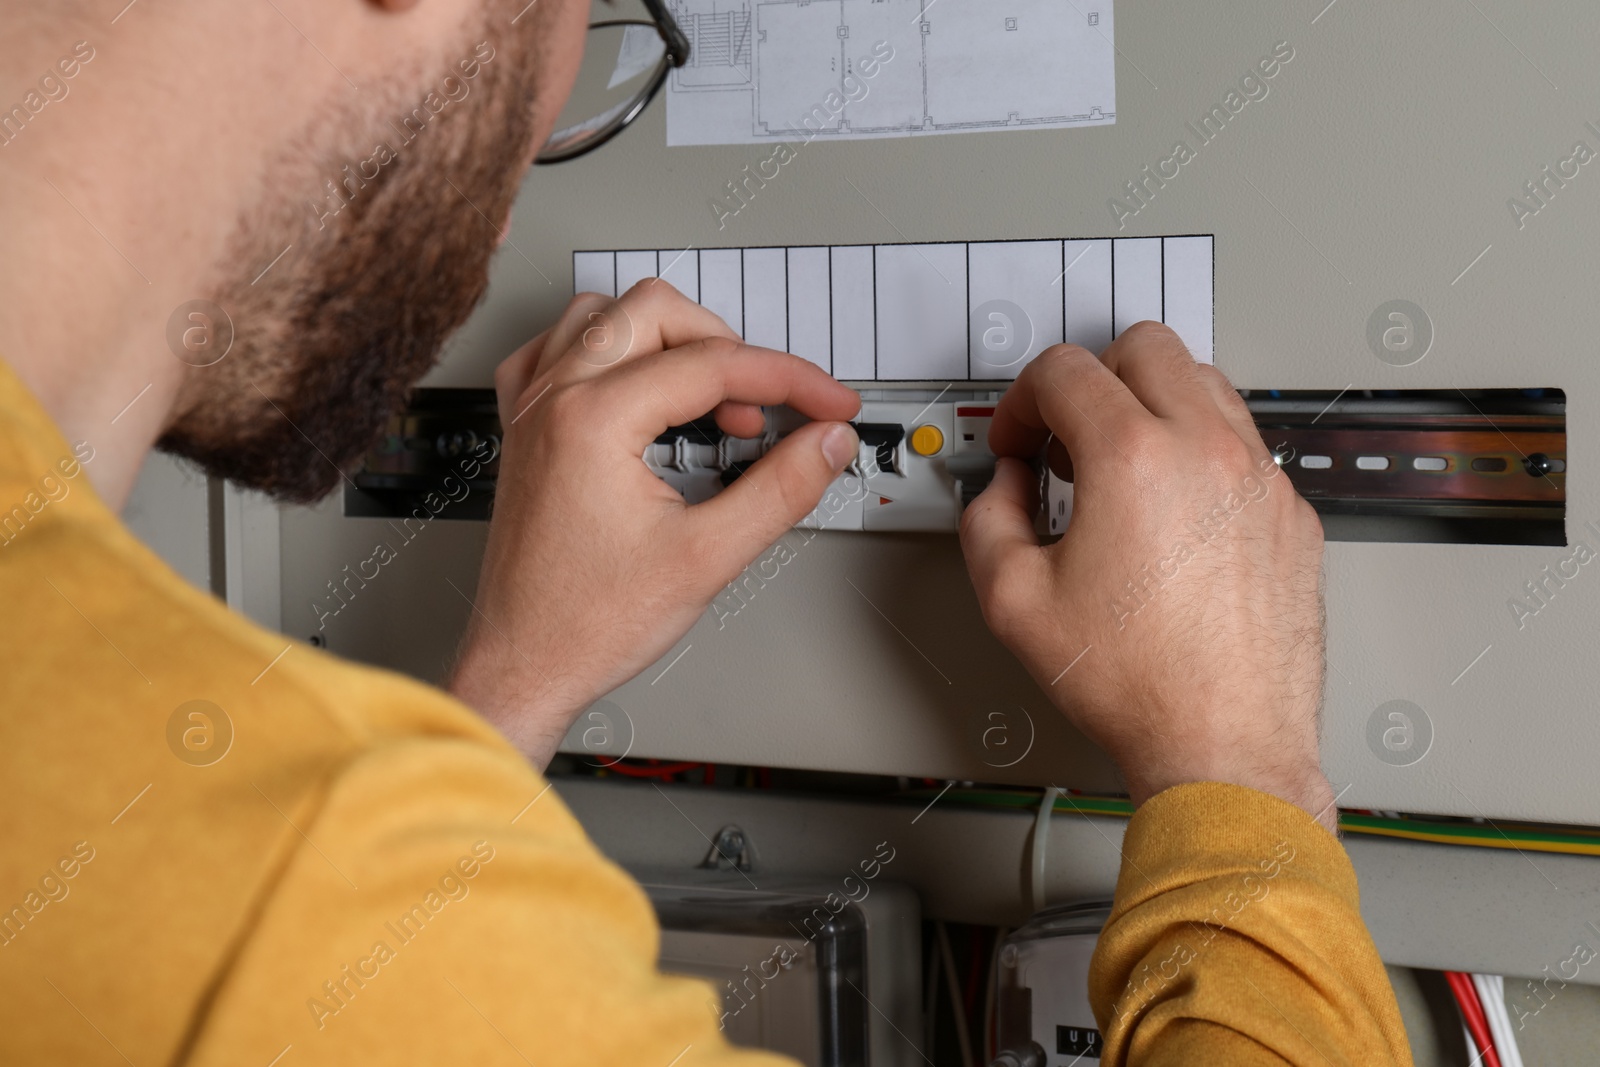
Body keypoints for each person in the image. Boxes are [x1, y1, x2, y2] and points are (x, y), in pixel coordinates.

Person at [0, 1, 1411, 1064]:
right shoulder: (295, 892)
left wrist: (500, 704)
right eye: (566, 80)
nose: (507, 203)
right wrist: (1239, 774)